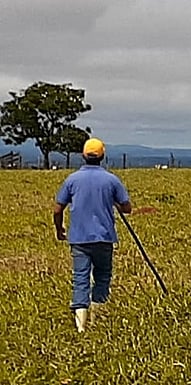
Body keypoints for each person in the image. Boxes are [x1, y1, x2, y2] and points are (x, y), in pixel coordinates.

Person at [53, 137, 132, 332]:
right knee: (103, 276)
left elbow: (57, 209)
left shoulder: (72, 179)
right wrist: (114, 201)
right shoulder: (111, 179)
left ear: (83, 156)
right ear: (103, 156)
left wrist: (59, 229)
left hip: (78, 238)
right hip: (104, 237)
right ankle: (98, 318)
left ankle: (81, 326)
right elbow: (127, 207)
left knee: (80, 277)